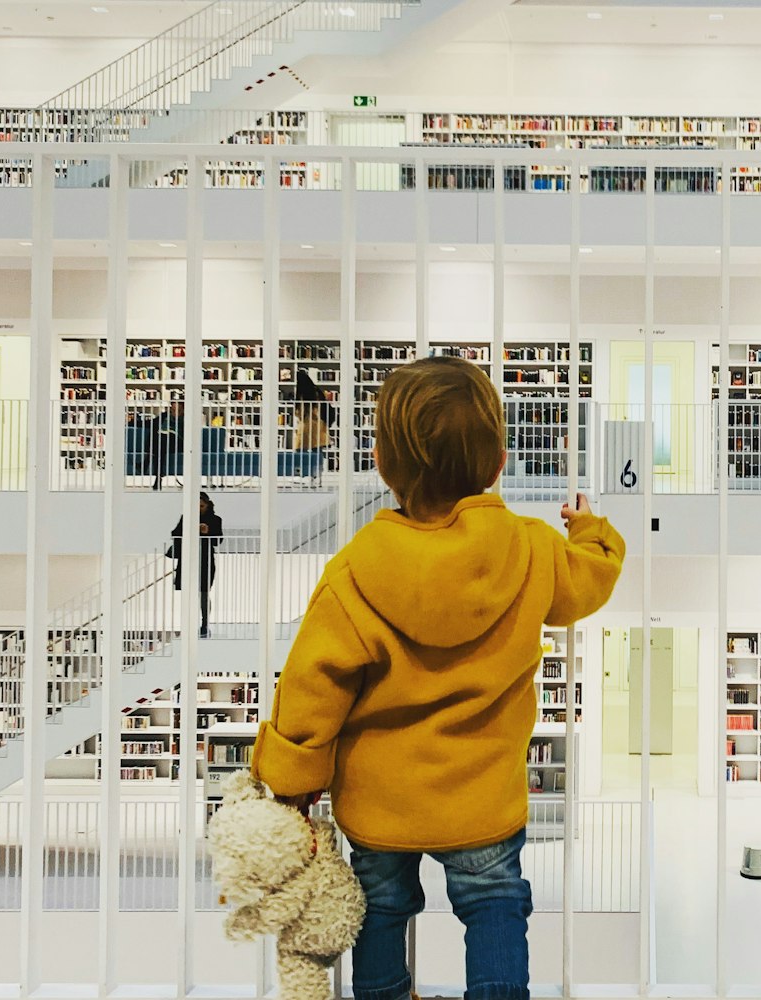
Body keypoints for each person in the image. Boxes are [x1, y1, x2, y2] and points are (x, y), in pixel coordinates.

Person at [251, 357, 625, 1000]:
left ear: (383, 464)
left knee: (380, 911)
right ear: (500, 462)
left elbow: (313, 686)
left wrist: (289, 783)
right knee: (495, 907)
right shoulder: (531, 549)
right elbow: (589, 581)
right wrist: (592, 532)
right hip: (483, 799)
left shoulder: (355, 570)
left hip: (378, 805)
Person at [169, 492, 223, 639]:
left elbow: (218, 541)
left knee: (204, 592)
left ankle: (205, 623)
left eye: (202, 506)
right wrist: (191, 529)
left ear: (207, 505)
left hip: (205, 558)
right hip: (188, 558)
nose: (199, 509)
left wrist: (207, 532)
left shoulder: (216, 520)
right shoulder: (187, 518)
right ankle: (190, 623)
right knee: (189, 593)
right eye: (197, 506)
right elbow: (175, 533)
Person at [149, 400, 184, 491]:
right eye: (173, 409)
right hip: (164, 443)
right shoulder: (165, 416)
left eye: (178, 410)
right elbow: (150, 423)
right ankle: (158, 477)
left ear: (183, 410)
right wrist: (131, 422)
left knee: (162, 441)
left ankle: (146, 462)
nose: (175, 412)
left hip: (178, 443)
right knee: (161, 443)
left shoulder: (186, 418)